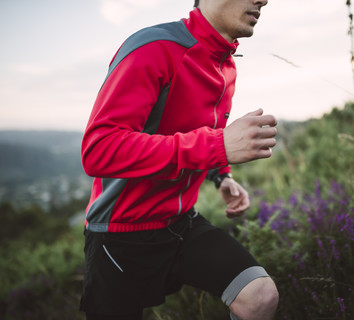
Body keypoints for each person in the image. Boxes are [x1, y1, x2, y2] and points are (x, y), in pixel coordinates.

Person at [80, 0, 279, 319]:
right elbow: (99, 149)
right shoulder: (154, 47)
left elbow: (200, 132)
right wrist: (217, 148)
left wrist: (221, 175)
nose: (264, 0)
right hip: (118, 235)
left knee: (260, 297)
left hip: (179, 223)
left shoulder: (225, 65)